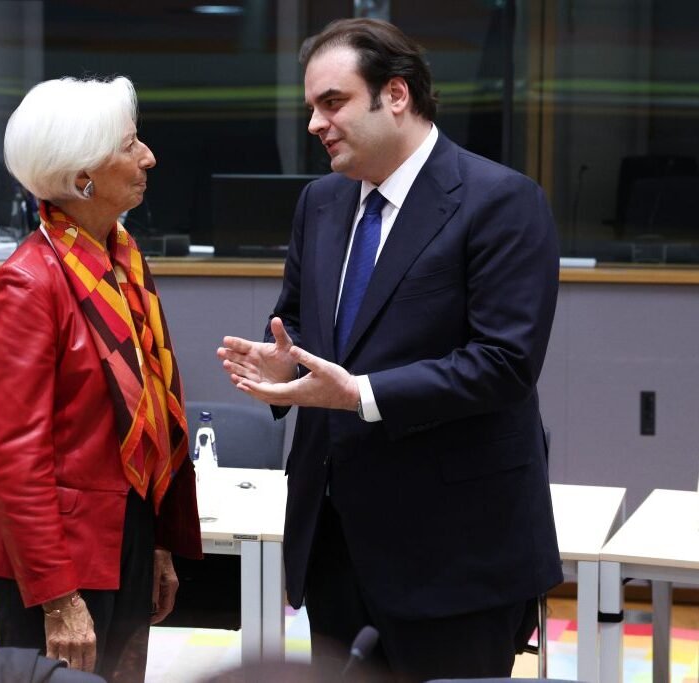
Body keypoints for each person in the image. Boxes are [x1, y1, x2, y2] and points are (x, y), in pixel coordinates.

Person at [217, 18, 562, 682]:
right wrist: (284, 362)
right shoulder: (320, 203)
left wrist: (360, 394)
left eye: (333, 102)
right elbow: (299, 323)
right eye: (311, 106)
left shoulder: (500, 200)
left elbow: (504, 363)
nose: (315, 123)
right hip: (334, 543)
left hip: (455, 555)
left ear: (396, 95)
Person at [0, 76, 202, 682]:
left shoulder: (121, 257)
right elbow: (16, 463)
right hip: (57, 558)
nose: (148, 156)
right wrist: (58, 599)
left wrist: (157, 543)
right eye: (129, 145)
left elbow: (147, 415)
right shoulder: (27, 283)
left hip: (126, 528)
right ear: (82, 178)